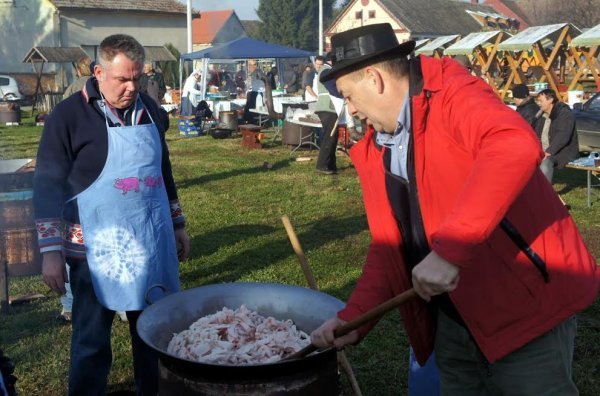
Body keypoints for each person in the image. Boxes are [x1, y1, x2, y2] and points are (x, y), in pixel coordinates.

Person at [311, 23, 598, 395]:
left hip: (523, 305)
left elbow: (513, 145)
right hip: (453, 316)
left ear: (374, 79)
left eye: (349, 96)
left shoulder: (451, 93)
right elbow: (389, 249)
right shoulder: (378, 147)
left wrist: (448, 251)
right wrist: (351, 321)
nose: (350, 110)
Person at [33, 34, 190, 395]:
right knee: (91, 340)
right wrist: (51, 253)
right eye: (123, 79)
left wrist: (178, 223)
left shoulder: (150, 110)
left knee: (154, 333)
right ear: (98, 72)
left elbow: (162, 170)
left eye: (137, 77)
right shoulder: (68, 117)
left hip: (150, 243)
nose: (132, 87)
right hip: (94, 250)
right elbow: (46, 186)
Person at [534, 88, 579, 183]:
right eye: (538, 101)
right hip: (544, 149)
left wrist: (549, 151)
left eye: (541, 101)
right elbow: (535, 133)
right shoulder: (541, 114)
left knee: (546, 163)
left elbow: (563, 135)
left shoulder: (564, 114)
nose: (538, 103)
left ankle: (545, 193)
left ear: (550, 100)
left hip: (563, 150)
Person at [314, 54, 343, 175]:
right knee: (329, 136)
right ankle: (322, 165)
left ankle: (330, 164)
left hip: (328, 107)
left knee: (333, 136)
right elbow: (332, 87)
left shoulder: (325, 69)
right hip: (328, 107)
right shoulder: (326, 70)